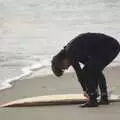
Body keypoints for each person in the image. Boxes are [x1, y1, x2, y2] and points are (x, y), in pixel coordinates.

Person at [51, 32, 120, 107]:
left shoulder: (70, 52)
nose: (67, 68)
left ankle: (93, 100)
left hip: (109, 47)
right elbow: (92, 70)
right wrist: (88, 89)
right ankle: (103, 98)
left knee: (88, 71)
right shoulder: (75, 51)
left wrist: (85, 90)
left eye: (63, 67)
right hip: (112, 46)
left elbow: (80, 74)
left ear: (62, 60)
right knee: (94, 70)